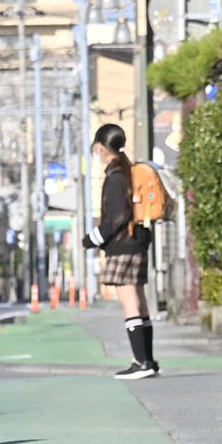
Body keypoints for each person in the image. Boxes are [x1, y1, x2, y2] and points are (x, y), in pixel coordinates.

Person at [81, 123, 158, 379]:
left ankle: (141, 362)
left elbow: (116, 217)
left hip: (123, 244)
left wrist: (91, 239)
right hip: (137, 240)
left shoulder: (115, 177)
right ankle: (148, 360)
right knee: (139, 300)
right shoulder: (128, 170)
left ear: (101, 148)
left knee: (129, 302)